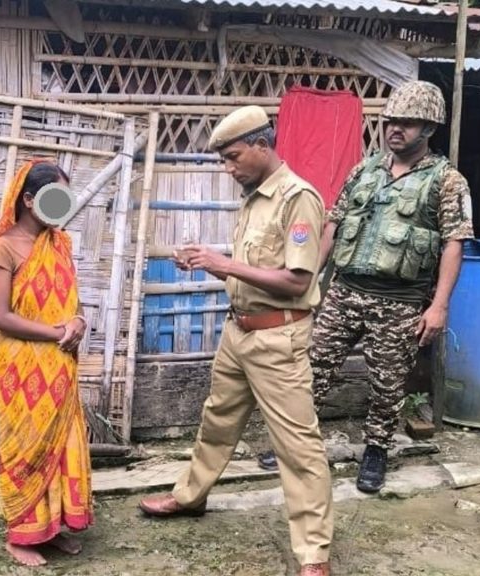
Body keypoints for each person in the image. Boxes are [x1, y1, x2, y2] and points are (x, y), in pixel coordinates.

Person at [138, 106, 334, 576]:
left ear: (262, 146)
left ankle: (313, 554)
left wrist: (222, 263)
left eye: (233, 157)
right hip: (239, 332)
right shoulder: (253, 198)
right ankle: (190, 497)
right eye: (223, 160)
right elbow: (252, 272)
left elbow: (296, 280)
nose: (228, 168)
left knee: (298, 447)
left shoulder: (298, 198)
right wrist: (209, 262)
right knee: (217, 421)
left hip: (278, 340)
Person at [255, 81, 475, 494]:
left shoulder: (447, 181)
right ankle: (293, 444)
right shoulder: (364, 170)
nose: (395, 129)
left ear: (429, 128)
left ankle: (376, 450)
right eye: (391, 121)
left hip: (400, 301)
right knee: (312, 369)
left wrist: (440, 306)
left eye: (407, 123)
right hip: (344, 292)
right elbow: (334, 224)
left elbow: (454, 243)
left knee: (388, 385)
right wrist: (308, 277)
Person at [0, 161, 93, 567]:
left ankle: (52, 528)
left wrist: (77, 322)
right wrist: (57, 331)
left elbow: (74, 301)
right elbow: (1, 317)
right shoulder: (4, 248)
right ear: (29, 200)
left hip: (60, 365)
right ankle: (20, 535)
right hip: (22, 367)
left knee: (61, 447)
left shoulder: (60, 244)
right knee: (27, 450)